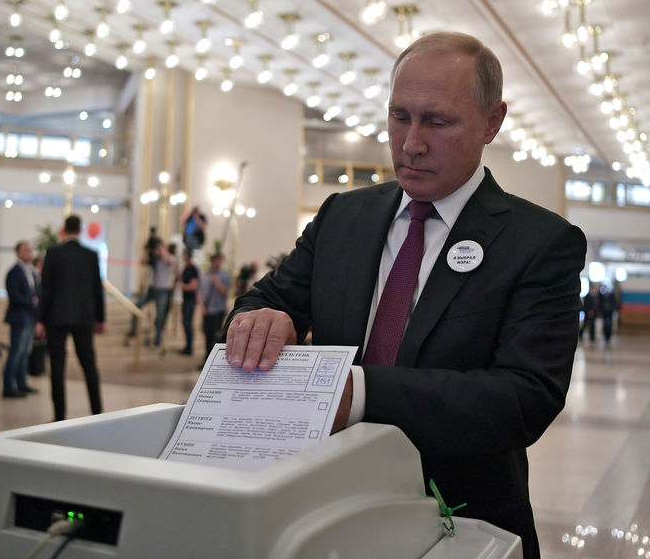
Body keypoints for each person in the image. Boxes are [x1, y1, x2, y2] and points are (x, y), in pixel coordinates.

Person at [224, 32, 586, 558]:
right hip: (326, 515)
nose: (411, 142)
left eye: (437, 121)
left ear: (492, 121)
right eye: (399, 117)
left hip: (463, 522)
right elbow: (263, 300)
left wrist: (361, 392)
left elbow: (524, 398)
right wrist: (260, 318)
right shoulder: (342, 217)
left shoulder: (539, 243)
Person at [37, 215, 105, 422]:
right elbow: (97, 289)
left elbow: (45, 289)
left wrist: (40, 319)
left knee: (57, 368)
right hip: (84, 317)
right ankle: (97, 413)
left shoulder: (53, 253)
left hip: (55, 317)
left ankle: (59, 416)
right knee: (89, 366)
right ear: (81, 230)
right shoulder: (90, 255)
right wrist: (100, 318)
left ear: (63, 230)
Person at [2, 240, 39, 398]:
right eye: (26, 249)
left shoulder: (30, 271)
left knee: (25, 352)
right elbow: (15, 296)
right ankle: (8, 387)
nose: (29, 252)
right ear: (18, 253)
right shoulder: (14, 272)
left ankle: (22, 383)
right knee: (16, 352)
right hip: (19, 317)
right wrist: (32, 302)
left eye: (30, 249)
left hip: (30, 317)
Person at [199, 252, 230, 362]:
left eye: (220, 260)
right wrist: (202, 306)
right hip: (207, 309)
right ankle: (206, 358)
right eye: (216, 260)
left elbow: (225, 292)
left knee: (216, 335)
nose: (218, 262)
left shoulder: (225, 275)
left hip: (218, 310)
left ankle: (215, 359)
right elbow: (200, 292)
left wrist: (216, 281)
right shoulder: (205, 275)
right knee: (207, 334)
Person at [177, 249, 200, 355]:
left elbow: (193, 286)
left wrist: (182, 286)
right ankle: (187, 346)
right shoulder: (186, 268)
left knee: (188, 323)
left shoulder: (193, 269)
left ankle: (189, 347)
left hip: (190, 300)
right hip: (186, 299)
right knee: (185, 323)